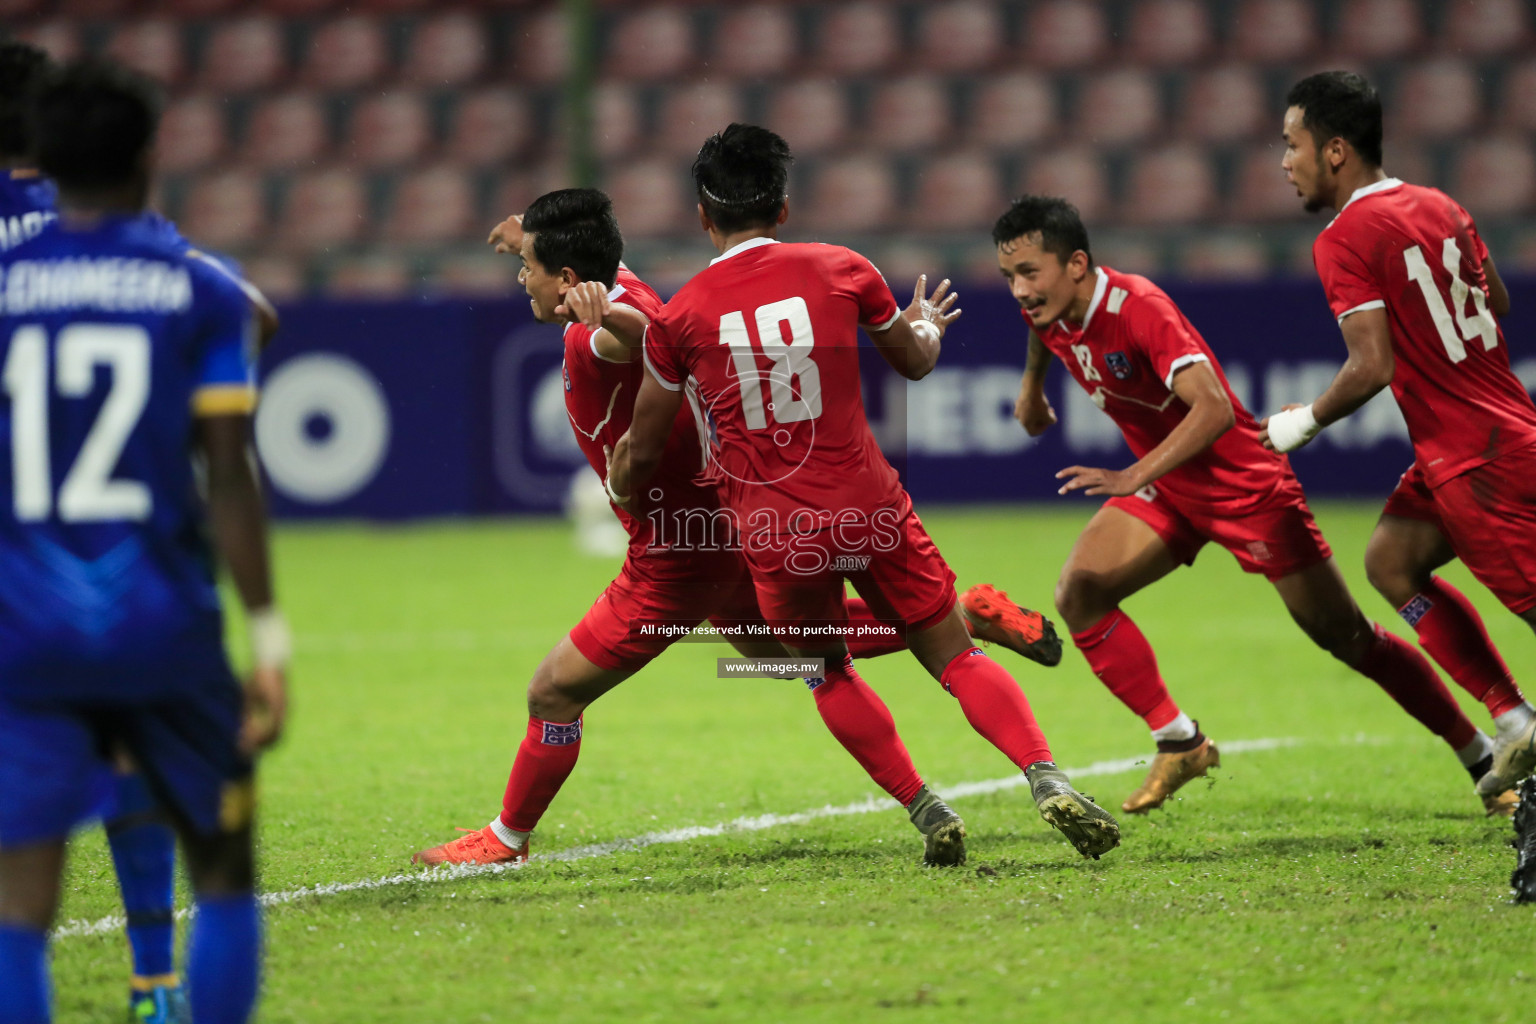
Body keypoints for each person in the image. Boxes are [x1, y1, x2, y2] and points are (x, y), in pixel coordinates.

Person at [413, 188, 1044, 870]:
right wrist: (526, 233)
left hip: (675, 558)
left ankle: (505, 838)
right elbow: (623, 295)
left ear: (569, 283)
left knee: (553, 692)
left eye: (529, 266)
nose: (518, 277)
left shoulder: (604, 331)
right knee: (776, 653)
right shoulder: (621, 280)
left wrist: (603, 316)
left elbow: (637, 338)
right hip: (724, 527)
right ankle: (961, 620)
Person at [614, 125, 1120, 860]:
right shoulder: (841, 267)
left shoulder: (680, 317)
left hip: (773, 532)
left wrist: (620, 478)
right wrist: (925, 328)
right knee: (952, 655)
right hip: (867, 508)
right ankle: (1045, 777)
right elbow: (914, 362)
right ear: (783, 208)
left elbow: (648, 446)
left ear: (703, 216)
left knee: (823, 671)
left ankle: (926, 808)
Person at [992, 194, 1516, 816]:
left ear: (1076, 264)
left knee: (1347, 638)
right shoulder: (1050, 311)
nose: (1020, 291)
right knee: (1079, 591)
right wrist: (1031, 392)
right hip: (1173, 489)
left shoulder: (1139, 310)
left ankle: (1481, 754)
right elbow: (1040, 335)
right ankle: (1179, 740)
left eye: (1030, 273)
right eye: (1009, 278)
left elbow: (1212, 408)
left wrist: (1133, 473)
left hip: (1245, 487)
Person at [0, 59, 287, 1024]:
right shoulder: (185, 283)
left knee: (18, 905)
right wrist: (270, 640)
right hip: (166, 623)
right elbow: (232, 463)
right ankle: (158, 985)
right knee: (223, 869)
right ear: (149, 157)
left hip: (25, 630)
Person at [1268, 70, 1536, 799]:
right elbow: (1498, 299)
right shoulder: (1442, 203)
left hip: (1474, 460)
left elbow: (1371, 364)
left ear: (1334, 152)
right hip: (1492, 431)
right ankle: (1513, 721)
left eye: (1291, 145)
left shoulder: (1343, 238)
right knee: (1390, 562)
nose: (1283, 162)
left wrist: (1305, 420)